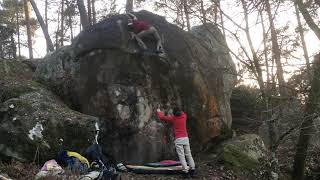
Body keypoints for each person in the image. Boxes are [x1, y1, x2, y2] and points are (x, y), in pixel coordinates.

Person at [157, 106, 196, 178]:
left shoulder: (173, 118)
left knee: (182, 156)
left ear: (174, 113)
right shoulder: (184, 116)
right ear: (180, 112)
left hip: (179, 139)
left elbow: (162, 117)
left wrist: (158, 111)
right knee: (189, 155)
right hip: (185, 138)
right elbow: (181, 112)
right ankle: (192, 170)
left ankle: (185, 172)